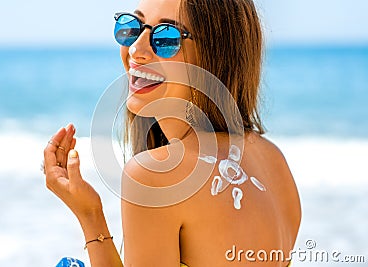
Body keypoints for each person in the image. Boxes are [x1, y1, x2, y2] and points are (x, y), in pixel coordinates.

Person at [43, 0, 301, 266]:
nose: (136, 49)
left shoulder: (155, 176)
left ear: (216, 53)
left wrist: (90, 216)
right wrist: (90, 212)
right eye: (132, 28)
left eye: (166, 37)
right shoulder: (274, 161)